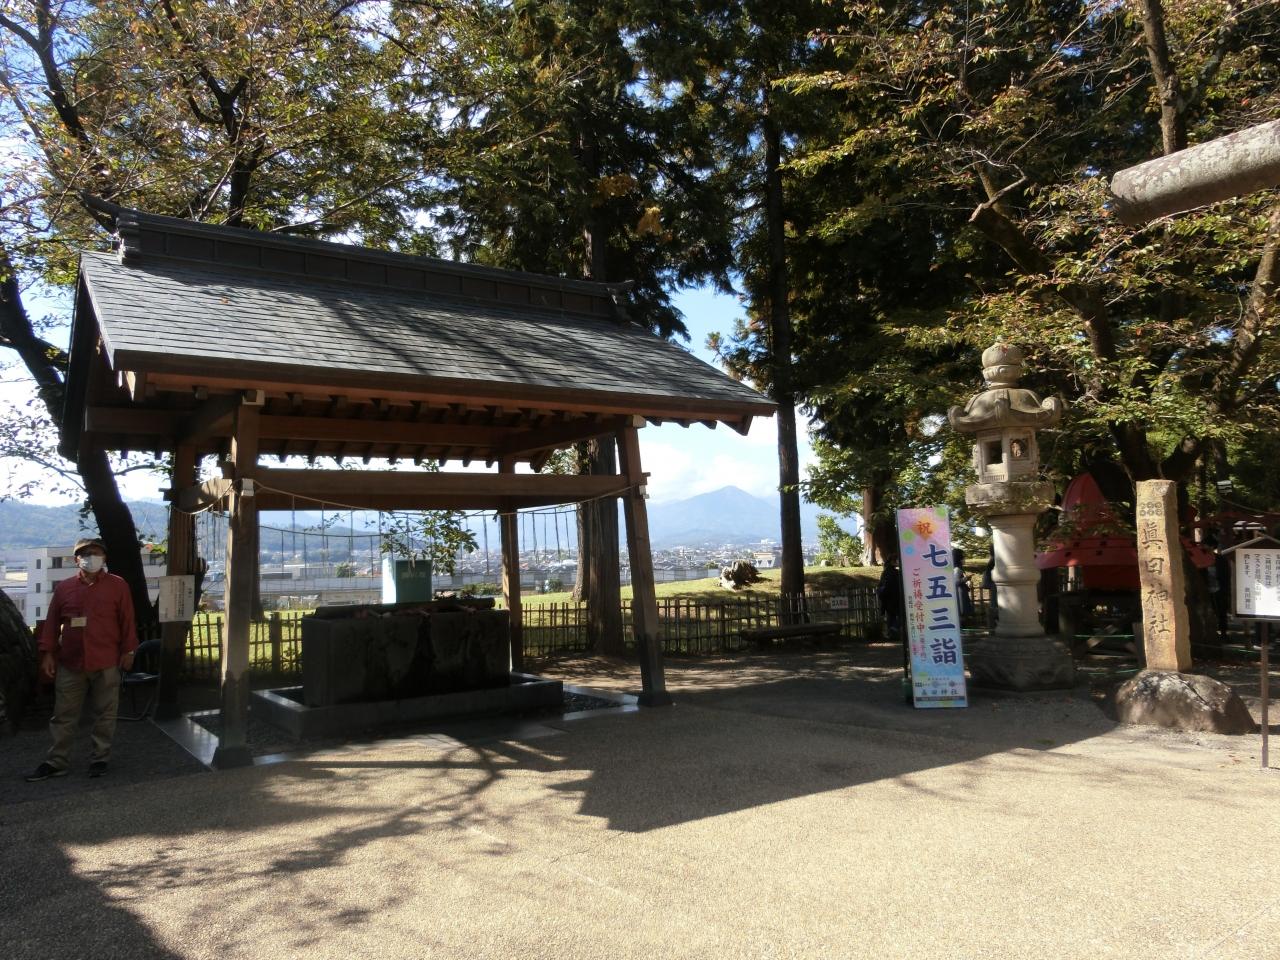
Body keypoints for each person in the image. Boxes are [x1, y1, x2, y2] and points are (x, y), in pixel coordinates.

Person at [26, 537, 137, 781]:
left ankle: (100, 758)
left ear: (104, 558)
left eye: (96, 553)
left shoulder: (118, 586)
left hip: (107, 659)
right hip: (70, 661)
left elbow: (127, 620)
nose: (91, 558)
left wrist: (129, 651)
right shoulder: (64, 588)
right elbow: (52, 623)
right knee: (63, 713)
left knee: (106, 712)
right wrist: (48, 654)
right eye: (85, 554)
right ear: (76, 559)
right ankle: (56, 761)